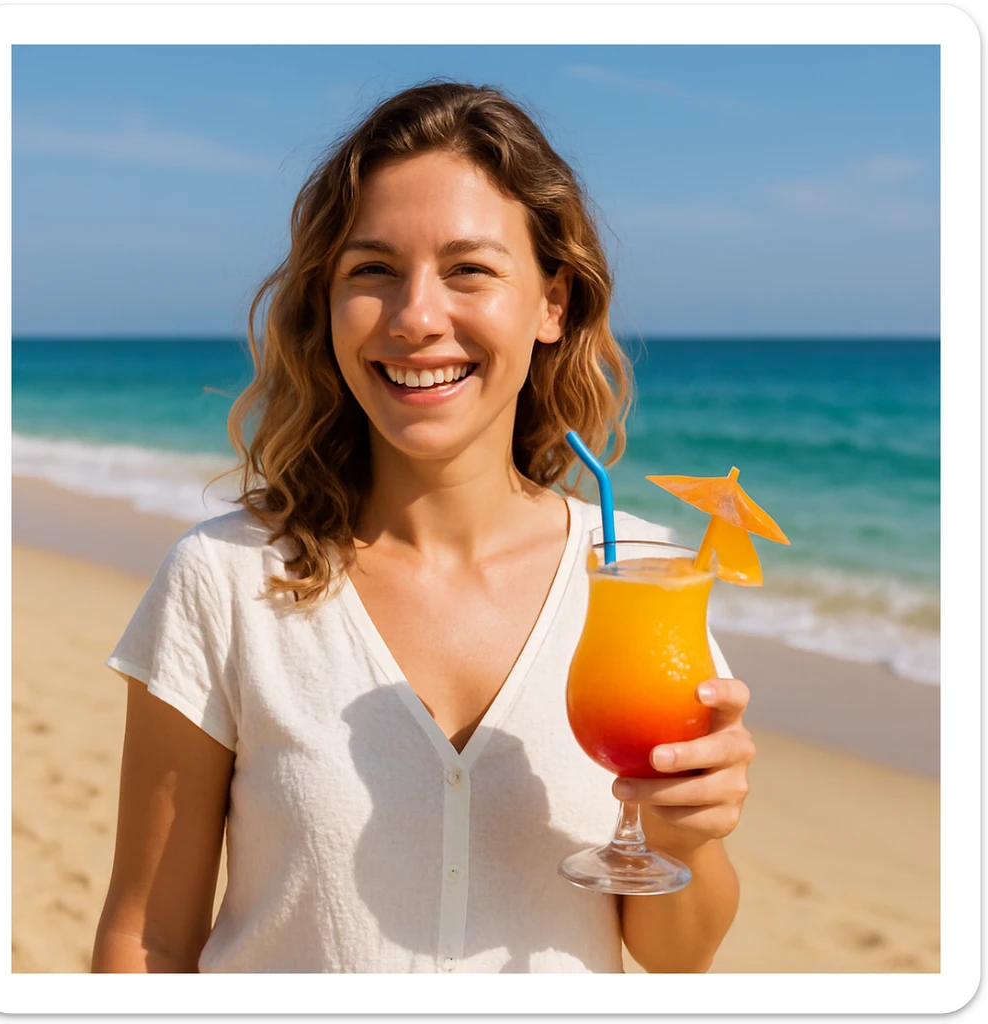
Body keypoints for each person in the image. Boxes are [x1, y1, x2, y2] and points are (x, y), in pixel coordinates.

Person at [91, 81, 755, 975]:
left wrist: (687, 836)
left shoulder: (641, 573)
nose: (415, 317)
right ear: (327, 305)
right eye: (372, 270)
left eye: (468, 269)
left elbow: (678, 956)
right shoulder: (224, 579)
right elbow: (148, 936)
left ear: (553, 303)